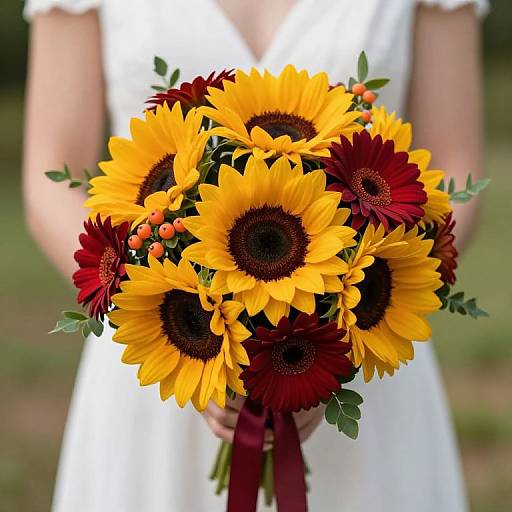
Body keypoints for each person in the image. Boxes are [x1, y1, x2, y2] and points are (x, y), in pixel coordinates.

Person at [23, 0, 487, 510]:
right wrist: (154, 305)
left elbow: (452, 168)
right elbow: (49, 173)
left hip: (367, 336)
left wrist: (331, 345)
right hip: (164, 348)